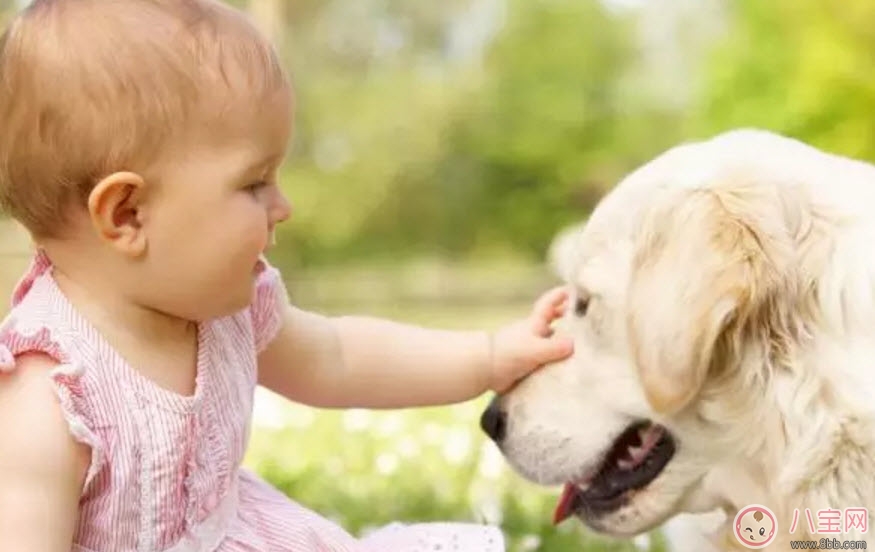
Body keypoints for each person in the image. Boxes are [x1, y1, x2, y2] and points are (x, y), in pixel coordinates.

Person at [0, 1, 575, 550]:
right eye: (255, 183)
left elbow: (339, 358)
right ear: (127, 214)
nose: (283, 206)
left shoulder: (225, 311)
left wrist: (486, 356)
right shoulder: (49, 399)